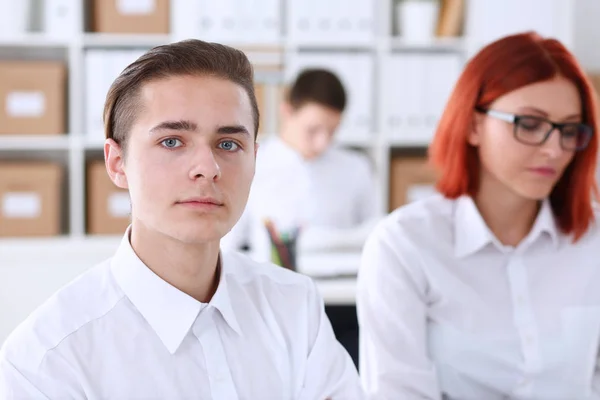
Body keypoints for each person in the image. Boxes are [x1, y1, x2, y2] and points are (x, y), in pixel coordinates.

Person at [0, 39, 364, 399]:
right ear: (117, 163)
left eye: (228, 144)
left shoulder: (295, 307)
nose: (208, 168)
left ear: (255, 158)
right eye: (172, 141)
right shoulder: (45, 361)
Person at [357, 31, 600, 400]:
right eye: (530, 124)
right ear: (473, 125)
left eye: (569, 130)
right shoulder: (405, 245)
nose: (554, 149)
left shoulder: (592, 240)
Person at [221, 68, 380, 263]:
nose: (322, 142)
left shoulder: (356, 167)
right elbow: (227, 246)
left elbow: (376, 239)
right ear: (287, 111)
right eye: (313, 130)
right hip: (271, 283)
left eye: (332, 131)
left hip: (342, 285)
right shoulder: (251, 163)